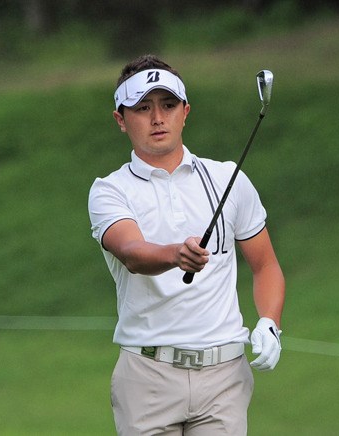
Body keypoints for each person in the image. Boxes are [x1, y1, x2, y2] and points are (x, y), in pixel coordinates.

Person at [88, 54, 285, 435]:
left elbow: (265, 266)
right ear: (120, 119)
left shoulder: (227, 179)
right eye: (142, 108)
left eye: (168, 105)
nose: (157, 118)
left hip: (224, 379)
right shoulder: (110, 191)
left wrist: (270, 322)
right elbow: (132, 254)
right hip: (148, 377)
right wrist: (175, 254)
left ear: (185, 112)